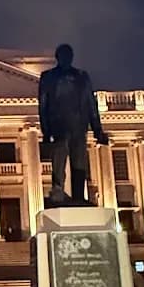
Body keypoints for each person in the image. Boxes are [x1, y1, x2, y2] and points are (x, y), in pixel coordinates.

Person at [38, 44, 109, 205]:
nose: (66, 59)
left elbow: (92, 104)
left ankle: (79, 196)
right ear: (57, 57)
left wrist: (98, 130)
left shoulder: (82, 77)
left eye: (69, 55)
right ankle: (58, 191)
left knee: (79, 162)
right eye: (63, 55)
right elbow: (43, 105)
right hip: (59, 126)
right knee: (59, 160)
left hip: (78, 125)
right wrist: (46, 131)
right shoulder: (48, 77)